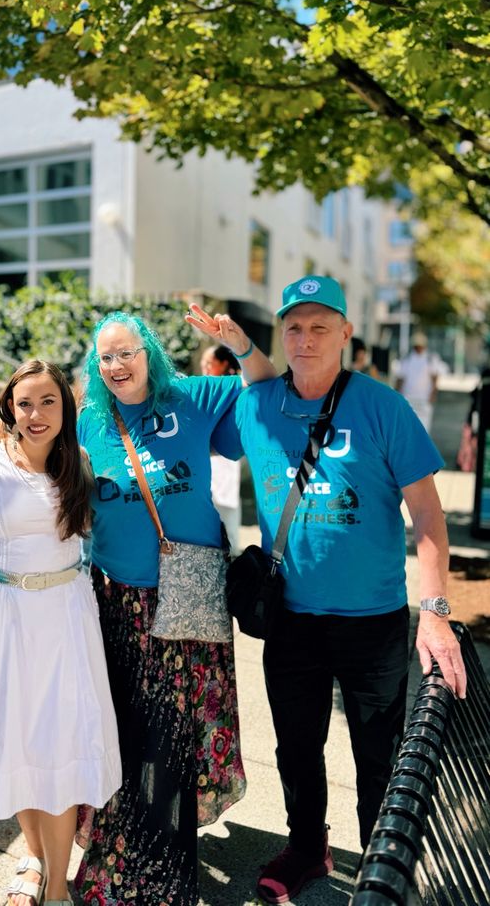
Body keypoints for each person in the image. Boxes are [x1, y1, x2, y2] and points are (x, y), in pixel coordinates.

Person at [213, 275, 467, 904]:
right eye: (294, 327)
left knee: (379, 755)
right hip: (291, 618)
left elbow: (428, 516)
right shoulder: (258, 404)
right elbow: (214, 404)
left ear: (346, 333)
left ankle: (384, 870)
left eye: (320, 327)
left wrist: (434, 612)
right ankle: (306, 847)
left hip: (372, 620)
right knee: (297, 748)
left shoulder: (383, 407)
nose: (305, 339)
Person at [73, 308, 276, 906]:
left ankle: (166, 866)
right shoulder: (89, 422)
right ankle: (120, 859)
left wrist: (240, 344)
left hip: (189, 595)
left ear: (151, 355)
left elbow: (265, 391)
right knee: (128, 732)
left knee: (176, 735)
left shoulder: (192, 396)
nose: (117, 365)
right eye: (106, 357)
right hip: (120, 603)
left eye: (127, 353)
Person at [0, 360, 121, 906]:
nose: (36, 414)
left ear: (65, 407)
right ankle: (35, 857)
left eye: (48, 401)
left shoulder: (80, 462)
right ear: (9, 407)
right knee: (18, 740)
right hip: (4, 614)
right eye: (25, 402)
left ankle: (55, 889)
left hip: (65, 616)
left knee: (60, 742)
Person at [201, 344, 243, 553]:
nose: (205, 367)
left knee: (226, 506)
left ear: (223, 364)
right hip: (205, 457)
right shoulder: (204, 388)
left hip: (225, 457)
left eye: (209, 363)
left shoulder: (235, 387)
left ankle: (232, 552)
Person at [392, 331, 446, 433]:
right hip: (408, 398)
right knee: (407, 428)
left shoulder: (430, 359)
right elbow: (400, 379)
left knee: (424, 428)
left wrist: (433, 394)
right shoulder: (407, 359)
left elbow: (434, 379)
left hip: (424, 399)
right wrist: (396, 395)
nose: (418, 348)